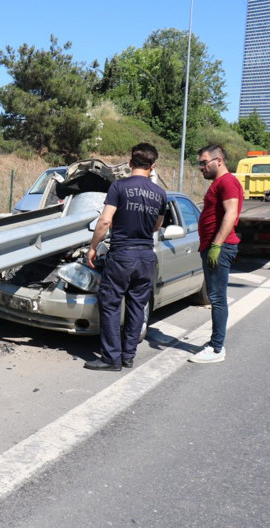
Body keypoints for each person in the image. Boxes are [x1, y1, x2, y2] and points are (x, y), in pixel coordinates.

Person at [84, 143, 167, 372]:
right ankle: (128, 355)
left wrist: (93, 247)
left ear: (130, 163)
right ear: (153, 166)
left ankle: (111, 358)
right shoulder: (160, 194)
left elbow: (104, 221)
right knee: (136, 306)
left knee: (110, 304)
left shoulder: (119, 187)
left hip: (122, 255)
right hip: (146, 257)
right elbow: (157, 226)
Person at [188, 144, 243, 363]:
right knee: (215, 297)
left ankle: (217, 348)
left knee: (217, 299)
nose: (201, 167)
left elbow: (230, 214)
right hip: (213, 247)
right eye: (200, 163)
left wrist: (217, 245)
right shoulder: (219, 183)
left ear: (218, 160)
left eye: (204, 162)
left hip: (219, 248)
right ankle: (216, 343)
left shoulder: (227, 182)